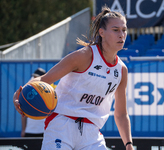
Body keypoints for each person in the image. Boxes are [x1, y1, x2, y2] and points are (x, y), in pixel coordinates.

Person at [13, 6, 134, 150]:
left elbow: (121, 114)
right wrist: (21, 91)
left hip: (91, 133)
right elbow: (44, 79)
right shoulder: (83, 56)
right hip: (62, 125)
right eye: (116, 30)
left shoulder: (121, 70)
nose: (122, 34)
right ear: (101, 32)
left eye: (124, 30)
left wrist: (129, 145)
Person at [21, 68, 46, 137]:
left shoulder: (49, 93)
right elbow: (23, 114)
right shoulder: (28, 93)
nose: (35, 79)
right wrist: (23, 129)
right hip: (30, 131)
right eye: (34, 77)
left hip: (44, 131)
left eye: (37, 77)